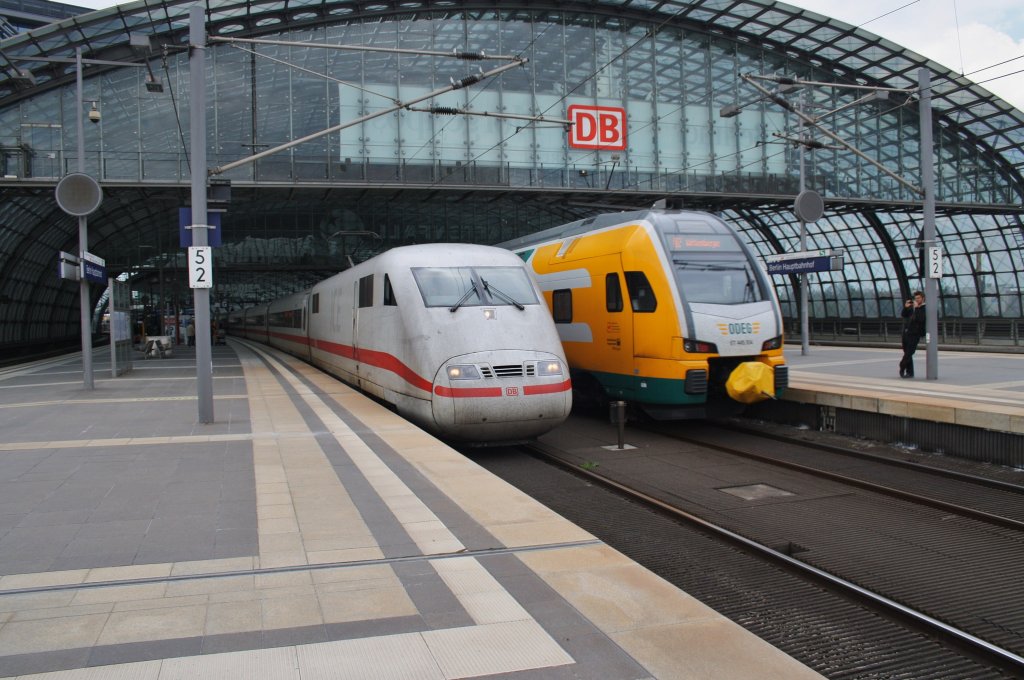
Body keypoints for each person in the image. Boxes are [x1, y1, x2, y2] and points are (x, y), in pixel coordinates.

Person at [899, 290, 926, 378]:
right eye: (916, 298)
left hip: (915, 334)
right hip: (906, 332)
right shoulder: (912, 307)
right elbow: (904, 315)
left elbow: (920, 319)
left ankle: (902, 366)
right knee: (906, 352)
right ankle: (910, 372)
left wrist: (917, 308)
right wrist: (906, 307)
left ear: (923, 298)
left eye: (918, 298)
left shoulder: (923, 308)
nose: (917, 300)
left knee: (909, 352)